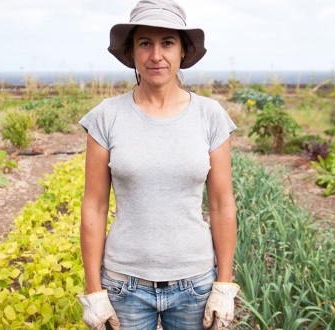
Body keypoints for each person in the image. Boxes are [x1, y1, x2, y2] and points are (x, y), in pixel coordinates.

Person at [77, 0, 240, 329]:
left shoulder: (210, 116)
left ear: (183, 51)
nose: (156, 55)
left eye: (167, 43)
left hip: (195, 285)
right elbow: (93, 206)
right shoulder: (106, 117)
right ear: (132, 52)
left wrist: (223, 286)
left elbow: (223, 204)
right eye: (145, 43)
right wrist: (94, 291)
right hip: (124, 287)